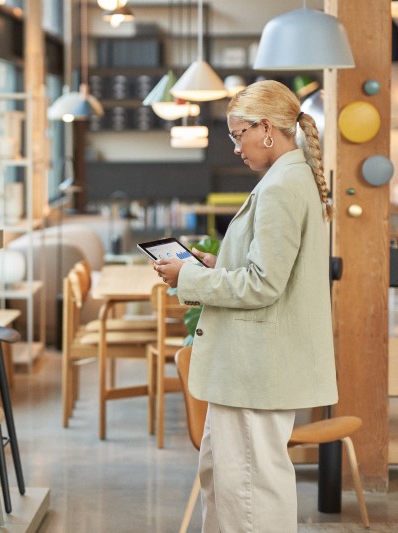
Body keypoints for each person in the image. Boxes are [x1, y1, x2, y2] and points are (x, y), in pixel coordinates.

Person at [154, 80, 337, 533]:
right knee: (228, 483)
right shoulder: (291, 179)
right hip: (250, 369)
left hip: (256, 367)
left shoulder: (281, 187)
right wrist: (219, 264)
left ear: (267, 128)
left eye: (238, 135)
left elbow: (263, 286)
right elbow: (271, 269)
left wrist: (189, 277)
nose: (236, 147)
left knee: (250, 494)